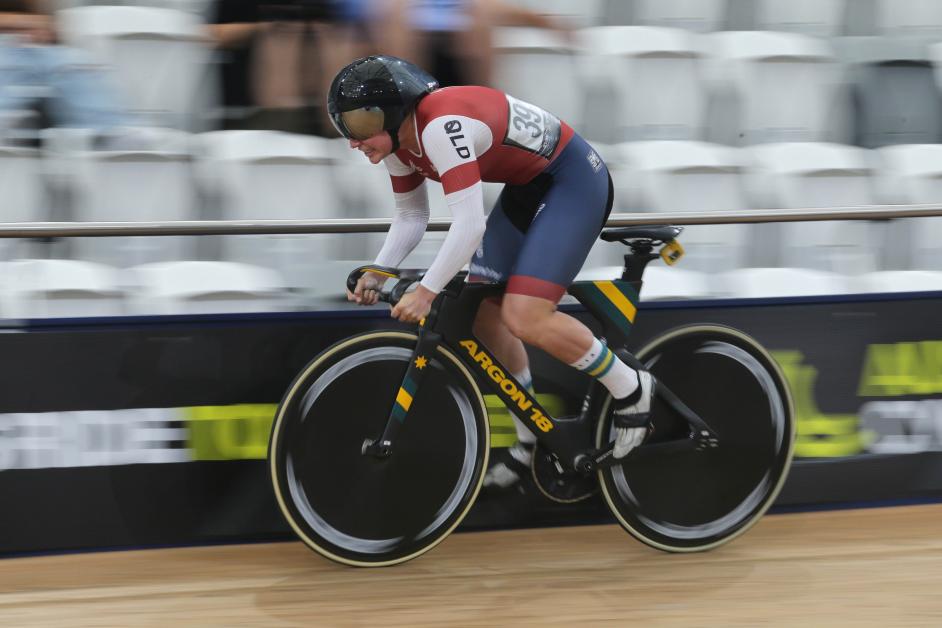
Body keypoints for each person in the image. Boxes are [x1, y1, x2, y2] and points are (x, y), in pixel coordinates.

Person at [331, 55, 654, 489]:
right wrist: (379, 270)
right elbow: (411, 217)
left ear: (391, 113)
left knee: (525, 316)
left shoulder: (440, 127)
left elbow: (469, 226)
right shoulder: (395, 143)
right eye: (344, 125)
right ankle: (531, 441)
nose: (354, 139)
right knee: (484, 312)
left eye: (359, 123)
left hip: (572, 182)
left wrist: (425, 291)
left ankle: (631, 386)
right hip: (528, 187)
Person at [0, 0, 138, 145]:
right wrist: (27, 24)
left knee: (70, 61)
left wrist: (38, 30)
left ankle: (107, 130)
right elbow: (41, 22)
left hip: (33, 56)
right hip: (11, 56)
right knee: (12, 61)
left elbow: (52, 28)